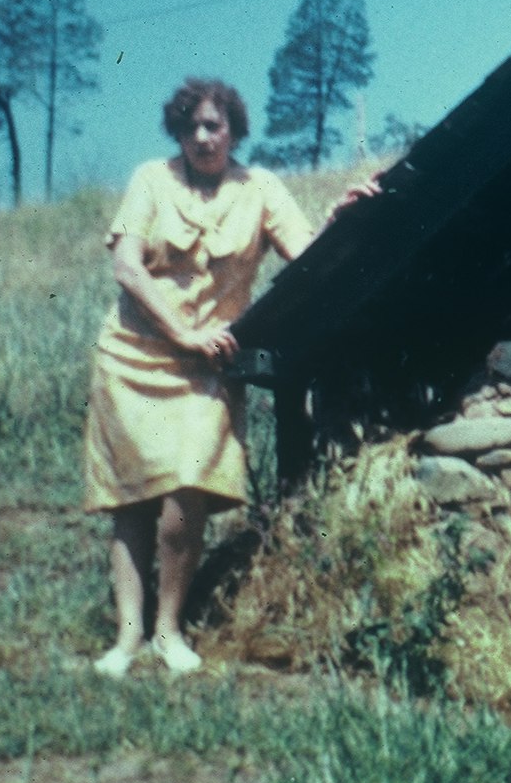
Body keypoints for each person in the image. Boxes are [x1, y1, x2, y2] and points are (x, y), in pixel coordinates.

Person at [82, 77, 363, 677]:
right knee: (131, 501)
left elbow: (309, 257)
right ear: (177, 133)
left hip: (207, 365)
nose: (203, 137)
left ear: (234, 129)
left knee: (187, 493)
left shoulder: (260, 189)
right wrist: (180, 330)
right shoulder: (150, 180)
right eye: (191, 127)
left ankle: (169, 631)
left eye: (214, 125)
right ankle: (125, 640)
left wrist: (344, 217)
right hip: (133, 356)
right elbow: (127, 268)